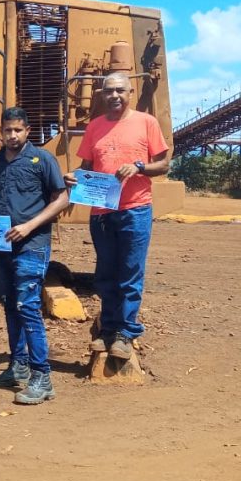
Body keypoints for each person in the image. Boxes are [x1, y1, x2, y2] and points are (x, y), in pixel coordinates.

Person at [67, 72, 169, 359]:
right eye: (109, 91)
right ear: (102, 94)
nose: (114, 96)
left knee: (130, 273)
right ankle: (108, 329)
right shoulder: (95, 127)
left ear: (130, 92)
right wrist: (73, 177)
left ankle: (126, 333)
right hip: (101, 212)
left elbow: (164, 164)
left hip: (135, 209)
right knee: (106, 273)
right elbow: (87, 166)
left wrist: (139, 167)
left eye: (120, 90)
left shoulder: (146, 123)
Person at [0, 107, 69, 404]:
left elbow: (61, 198)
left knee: (27, 306)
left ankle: (42, 377)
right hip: (1, 245)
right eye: (8, 130)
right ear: (1, 131)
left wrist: (29, 225)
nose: (13, 135)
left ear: (27, 131)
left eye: (18, 130)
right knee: (10, 304)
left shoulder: (42, 159)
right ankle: (18, 365)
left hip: (32, 244)